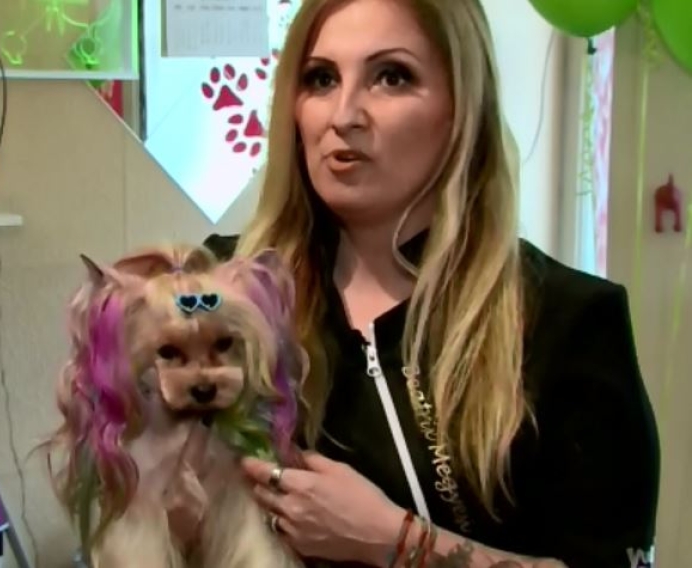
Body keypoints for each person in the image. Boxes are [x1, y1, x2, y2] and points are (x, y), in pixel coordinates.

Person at [195, 0, 661, 566]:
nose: (344, 115)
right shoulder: (226, 290)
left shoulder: (568, 322)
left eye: (391, 77)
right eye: (321, 79)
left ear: (462, 108)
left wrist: (398, 543)